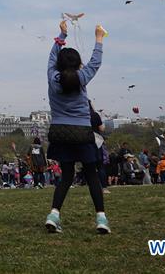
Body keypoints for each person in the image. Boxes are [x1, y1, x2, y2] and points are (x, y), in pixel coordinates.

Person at [44, 20, 110, 234]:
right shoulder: (82, 78)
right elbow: (95, 62)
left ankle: (54, 214)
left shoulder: (53, 78)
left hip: (60, 132)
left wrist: (61, 36)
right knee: (91, 174)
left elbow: (52, 58)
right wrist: (99, 39)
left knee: (66, 176)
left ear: (60, 65)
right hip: (82, 133)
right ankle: (101, 218)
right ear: (78, 64)